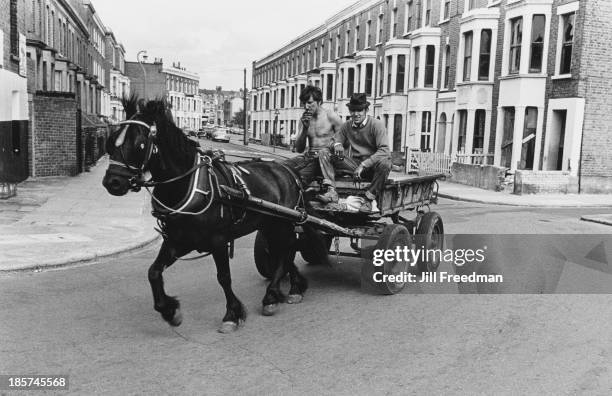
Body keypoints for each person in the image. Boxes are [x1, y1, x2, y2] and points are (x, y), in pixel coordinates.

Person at [318, 93, 392, 213]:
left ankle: (368, 200)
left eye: (359, 110)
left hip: (372, 168)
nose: (356, 114)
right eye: (352, 110)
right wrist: (337, 144)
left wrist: (364, 165)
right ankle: (331, 191)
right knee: (324, 152)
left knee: (386, 163)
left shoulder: (376, 125)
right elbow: (332, 141)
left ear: (366, 110)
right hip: (354, 165)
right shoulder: (347, 125)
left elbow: (384, 151)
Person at [283, 86, 343, 192]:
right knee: (283, 168)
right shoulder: (303, 120)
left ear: (319, 102)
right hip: (308, 156)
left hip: (325, 160)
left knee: (297, 178)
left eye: (310, 102)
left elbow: (344, 140)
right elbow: (299, 149)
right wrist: (305, 129)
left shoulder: (331, 116)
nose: (307, 106)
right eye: (304, 103)